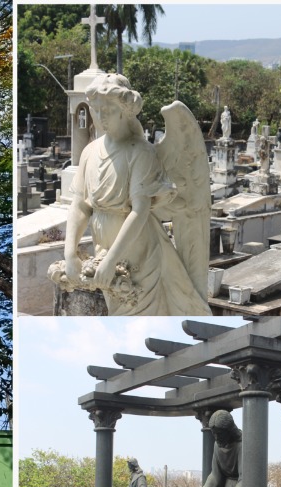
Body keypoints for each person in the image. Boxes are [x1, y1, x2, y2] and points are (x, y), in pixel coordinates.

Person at [55, 73, 211, 315]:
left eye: (108, 108)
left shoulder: (141, 153)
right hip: (103, 248)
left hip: (140, 252)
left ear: (125, 111)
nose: (101, 116)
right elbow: (80, 206)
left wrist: (111, 260)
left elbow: (139, 211)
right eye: (97, 109)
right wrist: (70, 253)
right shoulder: (89, 152)